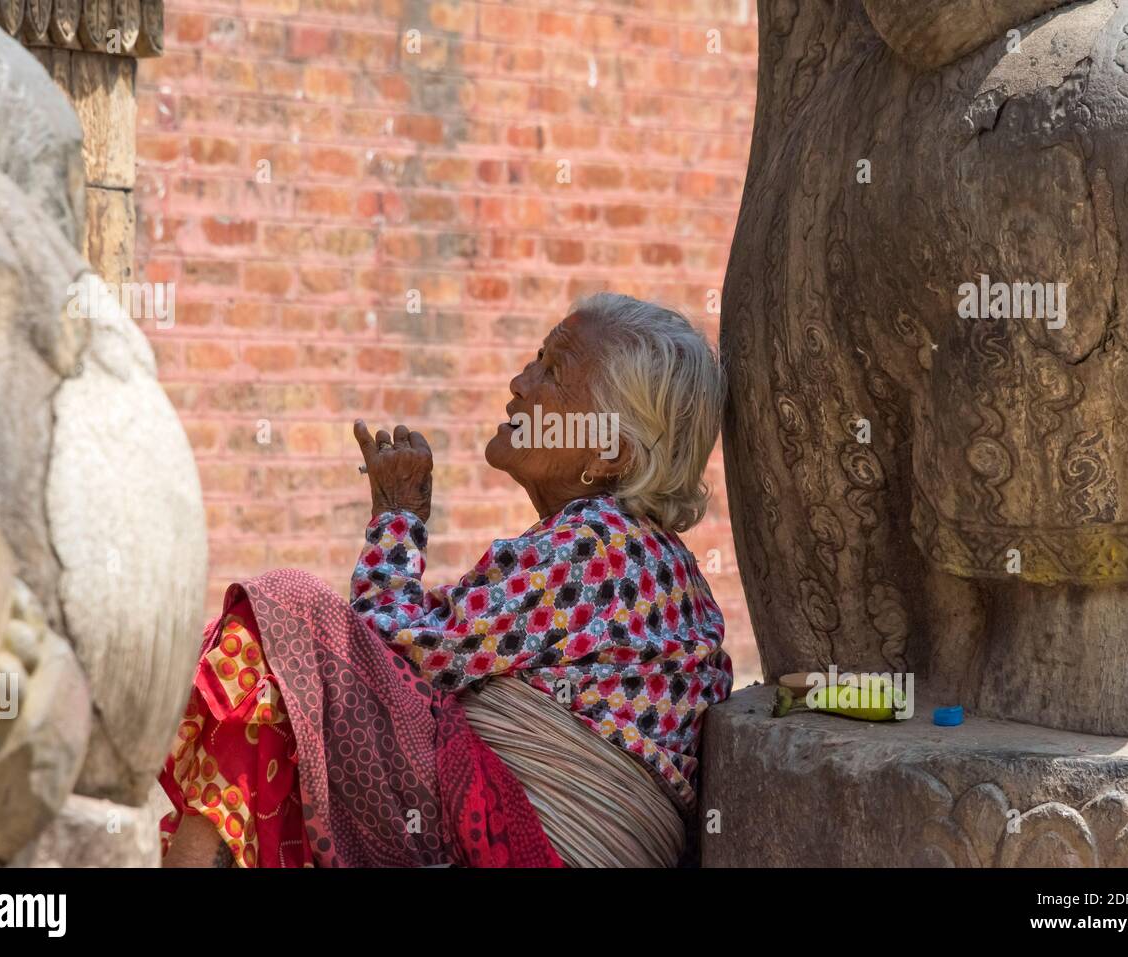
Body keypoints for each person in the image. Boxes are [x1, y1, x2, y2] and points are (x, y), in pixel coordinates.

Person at [159, 292, 733, 868]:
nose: (520, 383)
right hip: (516, 829)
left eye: (554, 374)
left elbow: (402, 650)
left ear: (612, 454)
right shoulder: (654, 563)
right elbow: (433, 640)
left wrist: (397, 518)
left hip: (527, 845)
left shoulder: (598, 546)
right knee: (289, 670)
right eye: (536, 359)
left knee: (287, 613)